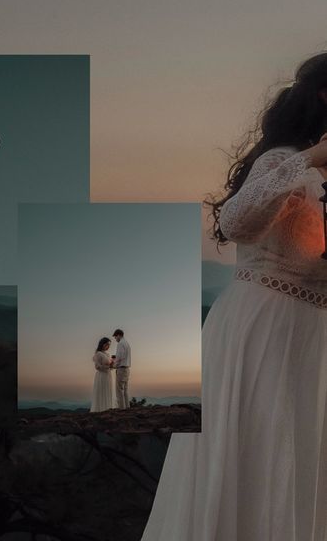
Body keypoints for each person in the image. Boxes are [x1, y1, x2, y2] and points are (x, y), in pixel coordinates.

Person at [141, 52, 327, 540]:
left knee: (306, 467)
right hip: (265, 327)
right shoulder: (283, 162)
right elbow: (237, 221)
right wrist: (310, 160)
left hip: (316, 339)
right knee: (260, 459)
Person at [90, 337, 115, 412]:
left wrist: (112, 365)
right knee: (102, 392)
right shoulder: (98, 354)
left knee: (108, 391)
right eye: (107, 344)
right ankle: (101, 409)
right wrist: (108, 367)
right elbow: (97, 367)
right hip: (101, 375)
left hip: (108, 375)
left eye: (109, 345)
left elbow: (110, 365)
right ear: (103, 344)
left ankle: (108, 408)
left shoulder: (107, 354)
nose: (108, 346)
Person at [112, 328, 131, 409]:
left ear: (119, 335)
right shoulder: (127, 343)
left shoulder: (120, 344)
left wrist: (114, 364)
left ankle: (122, 409)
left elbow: (120, 357)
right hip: (127, 369)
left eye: (115, 337)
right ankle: (127, 407)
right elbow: (124, 356)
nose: (115, 339)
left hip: (121, 369)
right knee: (125, 390)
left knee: (119, 390)